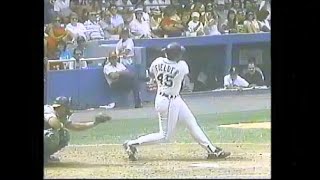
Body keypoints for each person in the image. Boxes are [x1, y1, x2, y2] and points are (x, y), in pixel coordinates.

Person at [123, 42, 231, 161]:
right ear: (177, 55)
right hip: (168, 102)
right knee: (164, 136)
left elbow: (152, 75)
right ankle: (132, 144)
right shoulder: (182, 66)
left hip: (170, 98)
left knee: (191, 123)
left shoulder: (157, 61)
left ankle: (211, 150)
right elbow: (180, 72)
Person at [44, 96, 111, 164]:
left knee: (64, 135)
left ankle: (45, 156)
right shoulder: (48, 110)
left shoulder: (60, 115)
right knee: (51, 135)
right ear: (62, 107)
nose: (68, 109)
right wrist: (61, 126)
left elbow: (75, 127)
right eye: (67, 107)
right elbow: (53, 123)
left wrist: (95, 123)